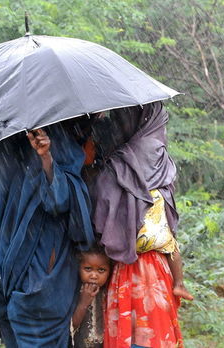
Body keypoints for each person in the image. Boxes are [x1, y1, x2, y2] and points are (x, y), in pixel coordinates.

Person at [0, 125, 94, 347]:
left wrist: (46, 157)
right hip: (2, 273)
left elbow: (62, 200)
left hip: (41, 272)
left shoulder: (57, 137)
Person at [90, 102, 187, 347]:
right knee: (154, 336)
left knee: (130, 335)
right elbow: (169, 233)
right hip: (159, 270)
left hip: (124, 268)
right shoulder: (163, 162)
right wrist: (179, 281)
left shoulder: (117, 163)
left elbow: (100, 221)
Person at [70, 244, 112, 347]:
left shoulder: (110, 292)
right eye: (88, 269)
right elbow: (71, 326)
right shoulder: (74, 291)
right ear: (79, 268)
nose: (94, 276)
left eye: (101, 270)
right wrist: (83, 302)